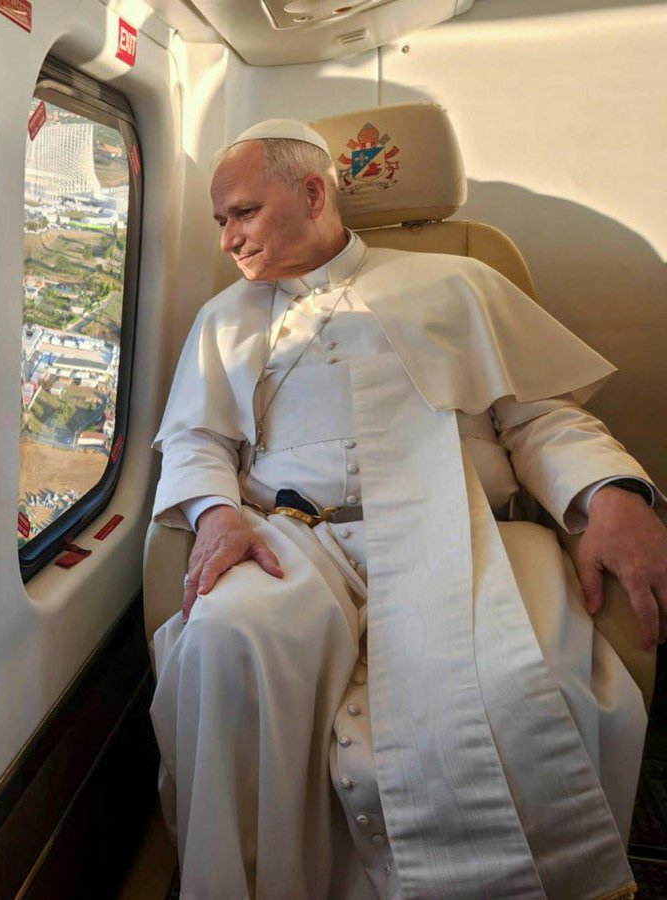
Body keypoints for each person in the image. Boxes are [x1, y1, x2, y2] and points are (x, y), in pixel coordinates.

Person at [149, 118, 667, 900]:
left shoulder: (458, 282)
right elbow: (196, 441)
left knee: (527, 690)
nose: (228, 240)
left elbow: (539, 420)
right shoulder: (222, 319)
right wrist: (216, 515)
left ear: (313, 194)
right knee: (221, 644)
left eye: (244, 213)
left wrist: (612, 494)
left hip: (462, 531)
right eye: (221, 220)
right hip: (292, 540)